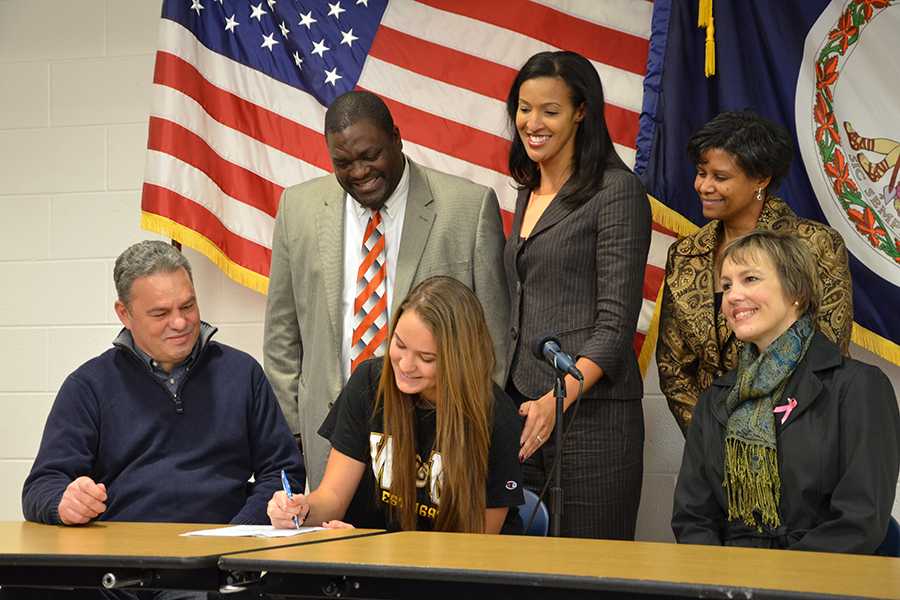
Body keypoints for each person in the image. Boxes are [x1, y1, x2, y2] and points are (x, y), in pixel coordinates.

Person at [264, 91, 509, 490]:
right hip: (332, 441)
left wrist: (472, 429)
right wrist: (294, 430)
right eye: (343, 162)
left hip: (437, 441)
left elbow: (492, 339)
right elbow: (281, 336)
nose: (359, 172)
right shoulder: (298, 208)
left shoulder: (469, 207)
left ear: (397, 138)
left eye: (370, 156)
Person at [22, 241, 304, 527]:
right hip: (124, 559)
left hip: (224, 557)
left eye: (188, 306)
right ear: (124, 313)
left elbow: (282, 472)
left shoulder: (242, 373)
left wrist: (240, 531)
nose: (180, 322)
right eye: (160, 313)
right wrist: (64, 503)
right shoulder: (88, 386)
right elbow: (41, 487)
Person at [672, 230, 899, 553]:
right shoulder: (716, 398)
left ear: (797, 292)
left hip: (820, 581)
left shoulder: (858, 387)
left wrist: (776, 583)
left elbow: (860, 521)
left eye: (750, 279)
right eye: (726, 285)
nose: (733, 296)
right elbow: (693, 518)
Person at [502, 51, 651, 539]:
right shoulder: (526, 192)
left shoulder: (617, 191)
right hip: (521, 412)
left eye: (550, 110)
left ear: (581, 111)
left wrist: (555, 399)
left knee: (588, 570)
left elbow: (614, 328)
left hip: (593, 423)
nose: (532, 122)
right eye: (524, 108)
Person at [267, 276, 523, 534]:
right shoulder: (369, 382)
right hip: (369, 563)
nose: (405, 365)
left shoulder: (495, 414)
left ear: (458, 360)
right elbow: (333, 496)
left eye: (426, 358)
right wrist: (301, 510)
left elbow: (480, 540)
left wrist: (373, 547)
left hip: (444, 568)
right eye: (399, 345)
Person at [657, 111, 853, 436]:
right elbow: (674, 368)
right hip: (711, 446)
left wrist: (766, 442)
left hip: (796, 442)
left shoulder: (815, 245)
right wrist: (711, 444)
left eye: (720, 177)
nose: (704, 186)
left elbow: (827, 356)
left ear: (760, 179)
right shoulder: (685, 253)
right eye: (701, 173)